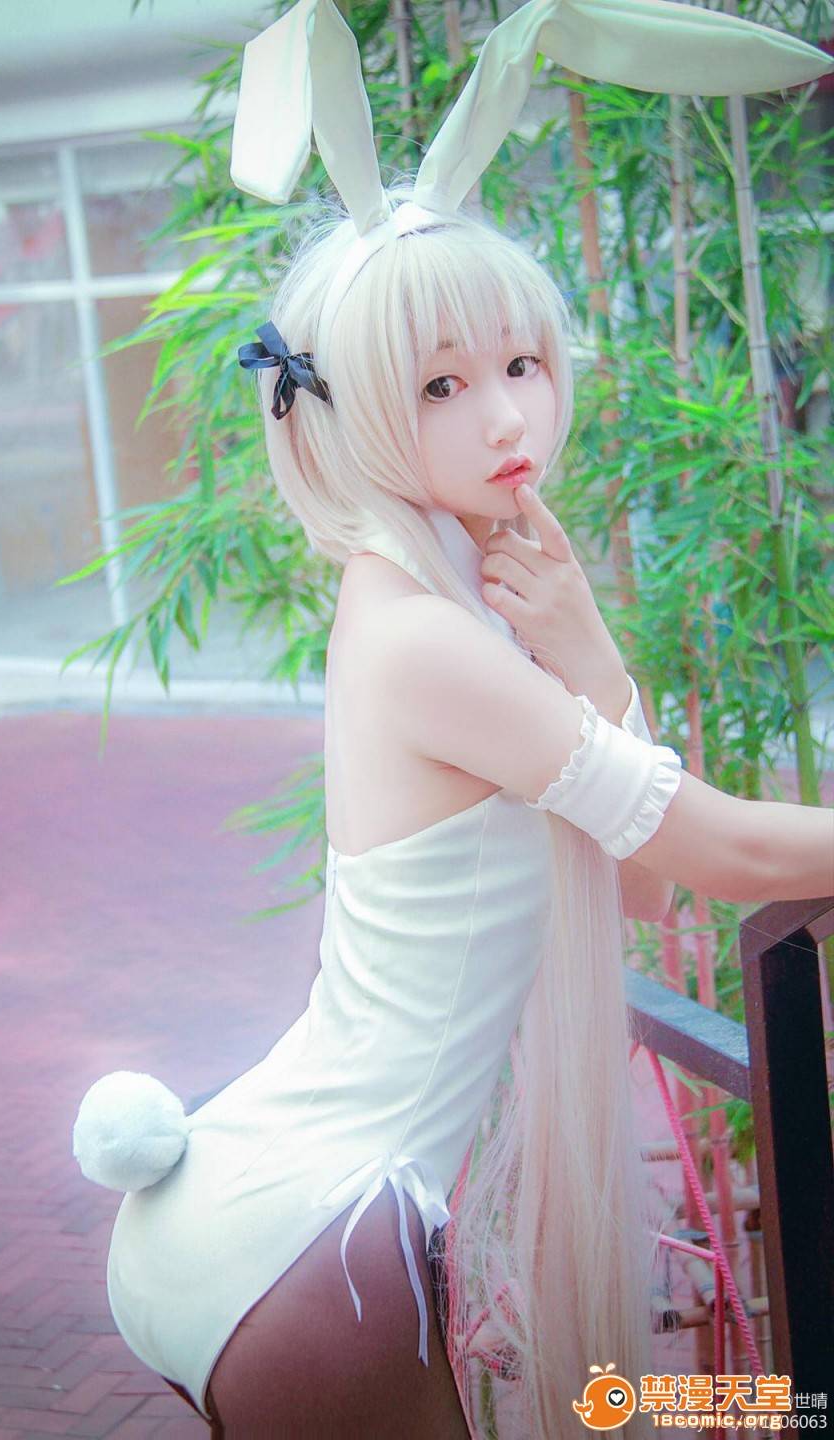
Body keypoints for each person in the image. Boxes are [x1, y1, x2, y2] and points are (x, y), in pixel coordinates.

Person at [71, 3, 834, 1436]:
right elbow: (718, 854)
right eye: (440, 384)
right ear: (351, 410)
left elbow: (638, 882)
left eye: (521, 364)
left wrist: (584, 639)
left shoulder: (427, 596)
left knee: (652, 1408)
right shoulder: (426, 638)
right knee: (693, 1408)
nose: (505, 420)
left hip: (258, 1198)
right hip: (313, 1236)